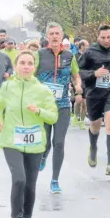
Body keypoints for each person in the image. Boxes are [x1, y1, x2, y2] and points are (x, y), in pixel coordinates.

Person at [0, 50, 58, 218]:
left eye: (30, 63)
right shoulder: (7, 87)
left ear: (34, 67)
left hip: (35, 143)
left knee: (30, 185)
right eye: (22, 63)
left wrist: (39, 111)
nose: (26, 67)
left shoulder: (43, 91)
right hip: (11, 141)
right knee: (19, 179)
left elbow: (53, 117)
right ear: (16, 66)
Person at [35, 22, 82, 193]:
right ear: (47, 37)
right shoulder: (39, 54)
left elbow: (76, 76)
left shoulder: (69, 55)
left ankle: (54, 180)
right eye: (51, 34)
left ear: (62, 36)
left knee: (59, 142)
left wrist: (78, 86)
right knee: (46, 142)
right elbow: (30, 77)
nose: (54, 36)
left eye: (57, 33)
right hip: (44, 107)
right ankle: (43, 156)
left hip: (62, 105)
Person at [78, 25, 110, 175]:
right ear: (98, 37)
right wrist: (94, 73)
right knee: (95, 126)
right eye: (103, 38)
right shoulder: (89, 52)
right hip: (94, 93)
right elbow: (79, 72)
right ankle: (93, 147)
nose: (107, 40)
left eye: (109, 37)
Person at [72, 39, 89, 130]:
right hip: (78, 81)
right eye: (87, 46)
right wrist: (73, 83)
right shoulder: (74, 56)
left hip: (87, 82)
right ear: (82, 46)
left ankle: (82, 121)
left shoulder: (89, 56)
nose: (88, 47)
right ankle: (76, 116)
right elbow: (72, 71)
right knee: (78, 100)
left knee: (85, 103)